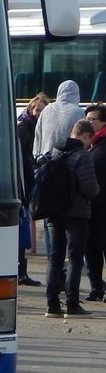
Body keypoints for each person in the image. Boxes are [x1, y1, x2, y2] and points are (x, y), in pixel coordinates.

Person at [45, 119, 99, 319]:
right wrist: (97, 191)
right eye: (89, 138)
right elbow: (89, 188)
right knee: (75, 259)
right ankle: (72, 304)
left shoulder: (56, 151)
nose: (89, 143)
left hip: (54, 212)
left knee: (54, 259)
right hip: (76, 213)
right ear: (85, 135)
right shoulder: (82, 156)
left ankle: (52, 305)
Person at [16, 92, 50, 286]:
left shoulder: (34, 127)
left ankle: (22, 271)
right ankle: (21, 272)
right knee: (21, 227)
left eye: (42, 110)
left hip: (27, 179)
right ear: (30, 109)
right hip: (23, 182)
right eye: (37, 109)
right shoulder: (25, 127)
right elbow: (21, 158)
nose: (39, 113)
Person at [84, 105, 106, 301]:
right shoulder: (90, 144)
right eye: (87, 119)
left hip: (103, 206)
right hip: (90, 206)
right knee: (90, 248)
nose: (89, 122)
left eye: (92, 119)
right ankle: (96, 287)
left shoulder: (101, 145)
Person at [33, 80, 84, 160]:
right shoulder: (80, 112)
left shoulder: (47, 109)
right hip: (68, 163)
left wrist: (36, 157)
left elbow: (38, 136)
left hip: (45, 162)